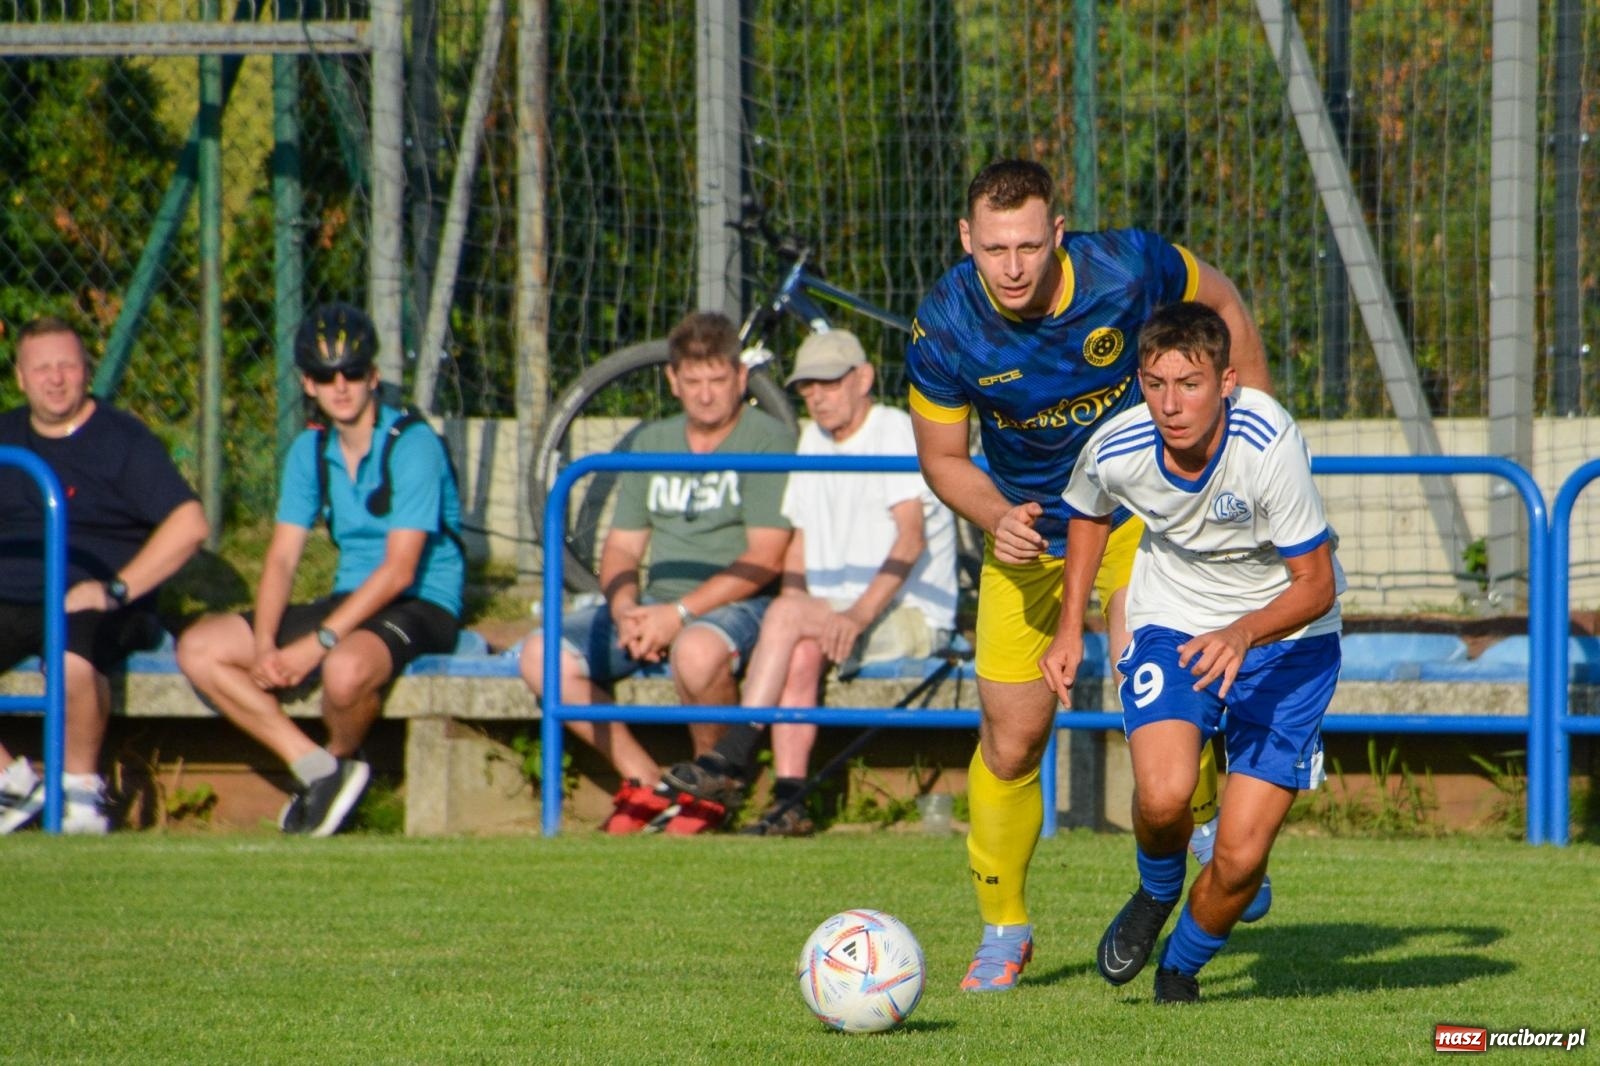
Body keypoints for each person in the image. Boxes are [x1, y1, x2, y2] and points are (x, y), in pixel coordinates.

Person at [905, 159, 1273, 992]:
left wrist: (1254, 423)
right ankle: (1004, 930)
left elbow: (1219, 299)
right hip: (1031, 531)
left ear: (1057, 234)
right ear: (967, 240)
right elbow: (942, 458)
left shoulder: (1127, 268)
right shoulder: (946, 322)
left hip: (1144, 519)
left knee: (1165, 681)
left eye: (1029, 245)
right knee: (1010, 739)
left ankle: (1212, 835)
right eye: (993, 248)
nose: (1011, 267)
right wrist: (997, 516)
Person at [1041, 301, 1342, 1003]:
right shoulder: (1118, 446)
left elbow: (1317, 585)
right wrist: (1068, 625)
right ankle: (1155, 892)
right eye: (1154, 384)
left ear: (1228, 382)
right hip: (1173, 621)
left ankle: (1180, 968)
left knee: (1239, 861)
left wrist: (1243, 632)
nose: (1170, 405)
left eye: (1190, 384)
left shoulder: (1269, 444)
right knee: (1165, 792)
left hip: (1290, 642)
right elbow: (1088, 510)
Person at [176, 302, 464, 837]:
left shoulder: (413, 444)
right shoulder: (309, 451)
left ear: (373, 376)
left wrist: (316, 643)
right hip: (352, 596)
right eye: (326, 376)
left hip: (422, 601)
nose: (341, 386)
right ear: (307, 383)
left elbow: (401, 571)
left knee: (343, 670)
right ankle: (319, 769)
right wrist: (265, 643)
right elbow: (282, 558)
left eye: (353, 372)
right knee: (199, 647)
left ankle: (340, 758)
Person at [658, 329, 960, 836]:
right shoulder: (812, 437)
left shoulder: (895, 431)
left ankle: (732, 753)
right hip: (835, 609)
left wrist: (852, 615)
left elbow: (910, 542)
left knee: (788, 615)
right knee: (795, 641)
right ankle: (788, 801)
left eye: (830, 382)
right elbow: (797, 545)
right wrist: (797, 612)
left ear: (863, 379)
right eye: (807, 386)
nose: (817, 396)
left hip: (909, 614)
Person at [517, 310, 795, 834]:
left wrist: (680, 614)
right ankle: (644, 780)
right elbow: (620, 548)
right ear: (672, 381)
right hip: (655, 605)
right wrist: (625, 611)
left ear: (741, 378)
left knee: (696, 650)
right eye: (693, 381)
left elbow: (766, 557)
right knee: (539, 653)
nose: (707, 394)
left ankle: (712, 787)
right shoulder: (651, 441)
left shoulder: (768, 438)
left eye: (718, 380)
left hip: (737, 604)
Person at [0, 316, 209, 834]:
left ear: (86, 372)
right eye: (41, 368)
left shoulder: (123, 440)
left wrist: (115, 589)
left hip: (97, 603)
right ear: (21, 378)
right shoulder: (6, 437)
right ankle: (14, 784)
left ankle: (80, 795)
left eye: (67, 366)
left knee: (71, 656)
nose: (55, 379)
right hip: (13, 597)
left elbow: (189, 523)